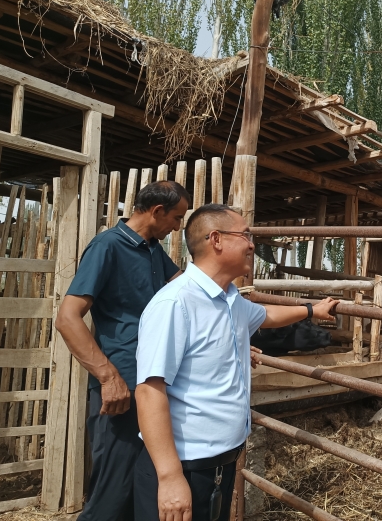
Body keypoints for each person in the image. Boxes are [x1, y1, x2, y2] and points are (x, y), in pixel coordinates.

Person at [134, 203, 338, 521]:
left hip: (220, 462)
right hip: (184, 466)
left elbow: (267, 314)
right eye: (245, 235)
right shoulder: (175, 304)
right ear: (216, 239)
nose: (252, 244)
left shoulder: (230, 299)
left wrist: (312, 310)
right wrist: (171, 477)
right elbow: (149, 392)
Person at [54, 180, 191, 521]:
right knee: (113, 491)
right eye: (177, 218)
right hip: (123, 385)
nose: (178, 227)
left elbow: (187, 291)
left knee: (140, 487)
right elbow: (67, 318)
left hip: (152, 381)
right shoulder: (107, 247)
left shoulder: (151, 248)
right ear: (157, 211)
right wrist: (107, 376)